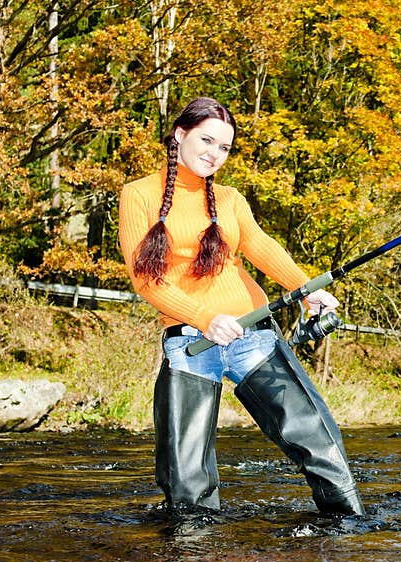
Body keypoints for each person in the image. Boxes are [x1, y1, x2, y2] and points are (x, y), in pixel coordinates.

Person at [118, 96, 364, 516]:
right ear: (180, 135)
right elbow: (146, 280)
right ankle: (194, 559)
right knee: (186, 477)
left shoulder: (230, 199)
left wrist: (306, 290)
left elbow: (261, 246)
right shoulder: (138, 194)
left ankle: (347, 534)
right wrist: (202, 319)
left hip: (253, 336)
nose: (214, 154)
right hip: (190, 345)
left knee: (318, 442)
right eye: (207, 140)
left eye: (224, 148)